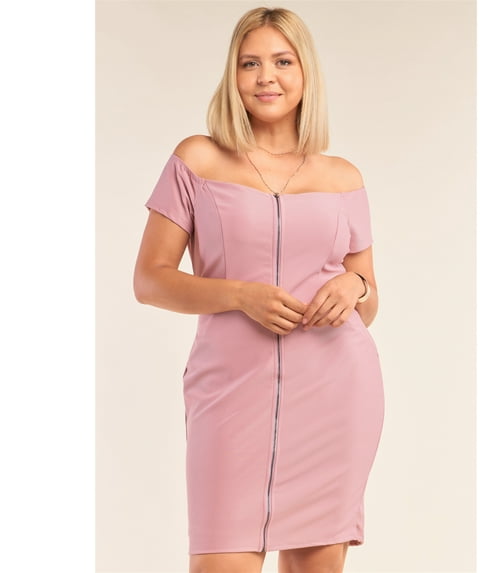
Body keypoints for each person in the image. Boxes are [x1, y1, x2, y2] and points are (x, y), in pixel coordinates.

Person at [134, 7, 384, 573]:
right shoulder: (197, 159)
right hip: (229, 394)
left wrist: (355, 284)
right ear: (233, 75)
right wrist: (240, 295)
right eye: (250, 64)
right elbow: (149, 279)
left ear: (305, 72)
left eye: (282, 62)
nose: (266, 77)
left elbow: (370, 303)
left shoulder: (343, 177)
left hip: (334, 393)